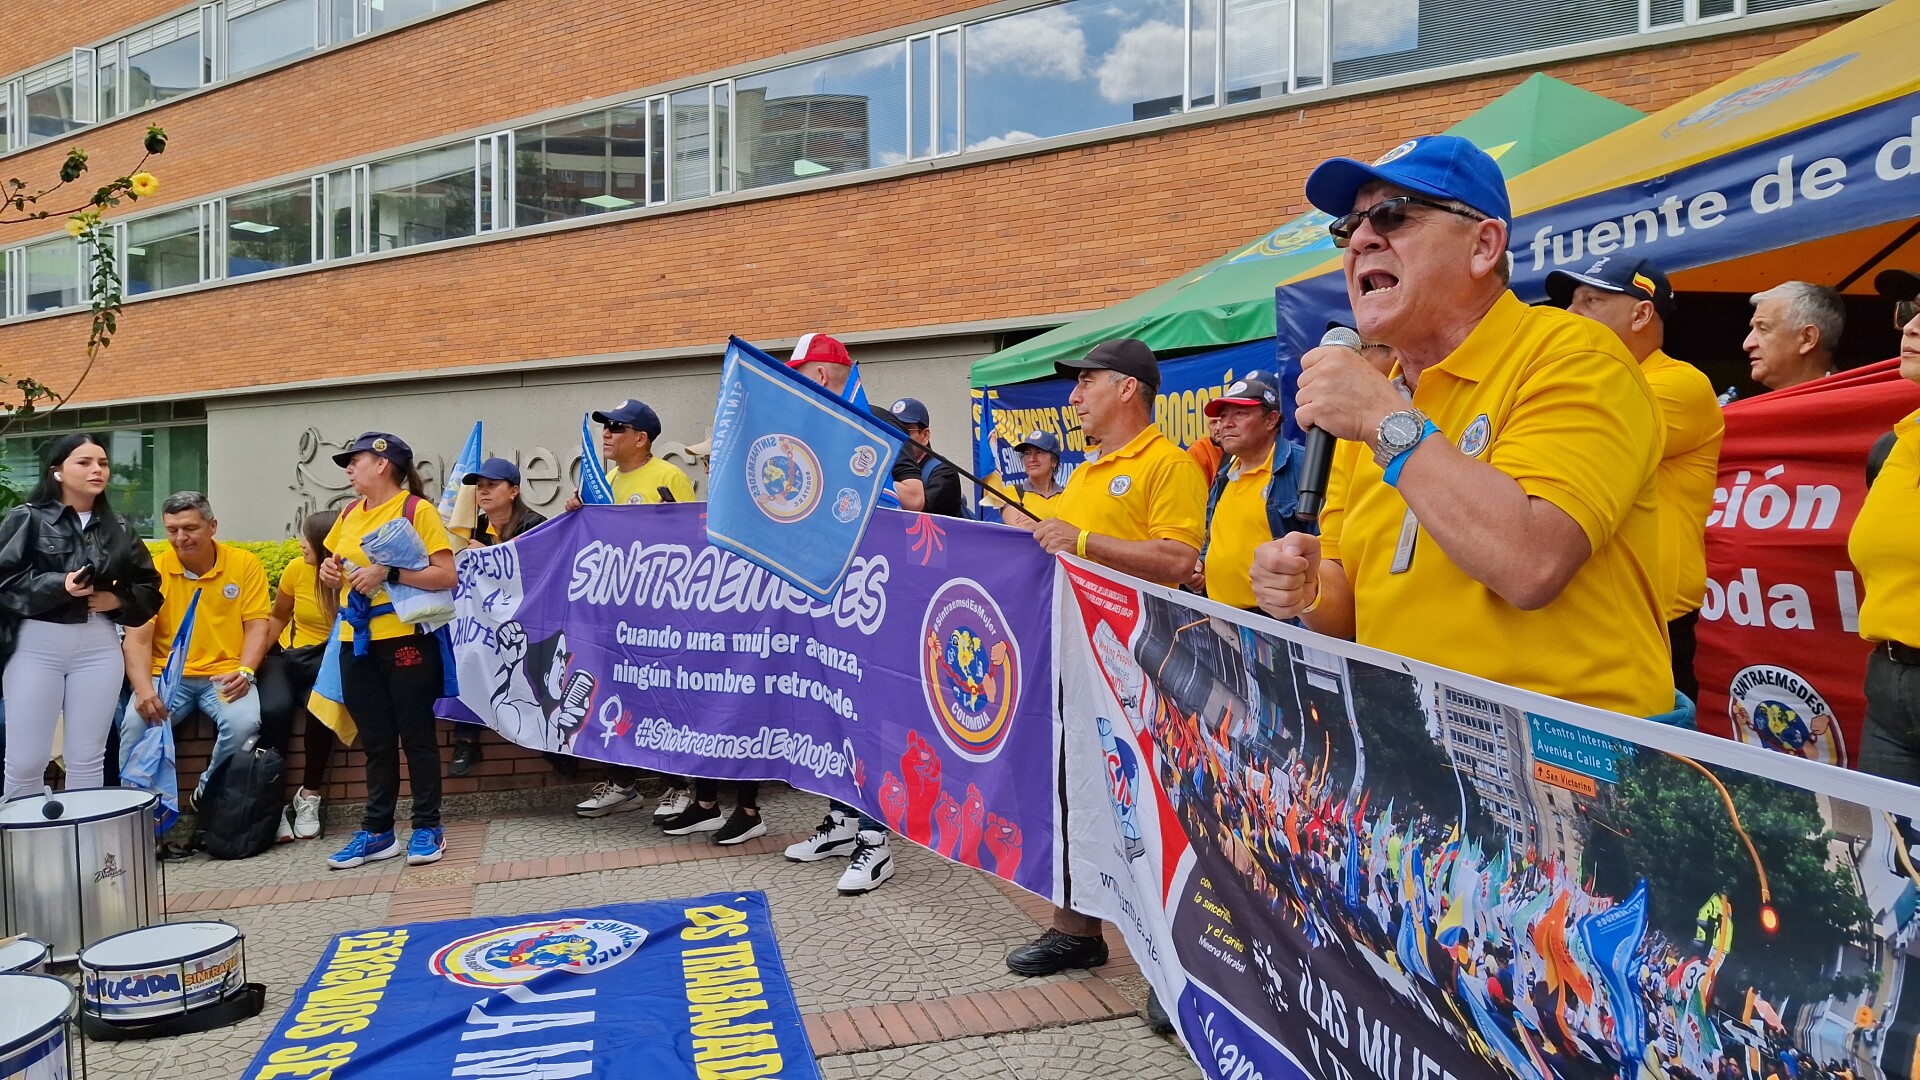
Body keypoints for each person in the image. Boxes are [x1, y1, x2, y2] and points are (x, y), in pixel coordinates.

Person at [1251, 135, 1671, 722]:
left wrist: (1384, 421)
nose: (1362, 239)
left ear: (1483, 246)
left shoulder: (1573, 355)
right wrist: (1305, 588)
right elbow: (1351, 602)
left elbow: (1531, 563)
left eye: (1393, 215)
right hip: (1418, 753)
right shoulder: (1380, 398)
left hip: (1570, 765)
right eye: (1348, 227)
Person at [1004, 336, 1206, 1003]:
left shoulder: (1167, 464)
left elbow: (1178, 560)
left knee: (1145, 807)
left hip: (1137, 670)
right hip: (1072, 661)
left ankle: (1167, 959)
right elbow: (1050, 544)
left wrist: (1081, 540)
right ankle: (1076, 928)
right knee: (1073, 792)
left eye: (1085, 382)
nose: (1074, 396)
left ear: (1126, 388)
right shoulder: (1087, 471)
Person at [1548, 257, 1723, 701]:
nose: (1571, 314)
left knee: (1646, 766)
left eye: (1591, 301)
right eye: (1572, 302)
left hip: (1653, 619)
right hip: (1589, 612)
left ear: (1642, 313)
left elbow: (1566, 444)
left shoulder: (1681, 384)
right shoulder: (1602, 381)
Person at [779, 331, 900, 895]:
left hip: (868, 601)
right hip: (825, 594)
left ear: (821, 375)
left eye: (799, 371)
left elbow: (892, 509)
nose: (792, 381)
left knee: (865, 717)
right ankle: (844, 821)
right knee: (830, 709)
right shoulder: (818, 431)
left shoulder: (863, 429)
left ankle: (876, 844)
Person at [319, 432, 458, 869]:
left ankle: (426, 827)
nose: (348, 468)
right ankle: (378, 831)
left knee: (416, 735)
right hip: (354, 641)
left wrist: (390, 572)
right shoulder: (347, 512)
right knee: (376, 741)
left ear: (382, 464)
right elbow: (337, 567)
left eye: (354, 460)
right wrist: (329, 571)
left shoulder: (417, 509)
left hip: (405, 637)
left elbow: (446, 575)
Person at [0, 435, 160, 799]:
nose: (97, 470)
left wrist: (114, 600)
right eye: (84, 462)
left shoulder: (117, 526)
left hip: (98, 645)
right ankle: (22, 850)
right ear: (57, 471)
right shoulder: (27, 517)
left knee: (87, 758)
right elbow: (5, 581)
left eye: (102, 463)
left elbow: (150, 587)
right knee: (26, 759)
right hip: (36, 644)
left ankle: (82, 852)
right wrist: (60, 585)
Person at [570, 403, 697, 821]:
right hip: (614, 615)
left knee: (662, 697)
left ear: (641, 438)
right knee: (616, 695)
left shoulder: (667, 476)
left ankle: (679, 786)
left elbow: (691, 537)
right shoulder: (603, 482)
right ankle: (623, 784)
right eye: (604, 428)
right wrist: (576, 512)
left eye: (617, 428)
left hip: (659, 616)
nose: (606, 434)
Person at [119, 491, 271, 806]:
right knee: (134, 725)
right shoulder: (154, 572)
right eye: (172, 530)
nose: (180, 538)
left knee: (243, 723)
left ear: (212, 526)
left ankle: (207, 792)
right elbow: (137, 638)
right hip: (168, 675)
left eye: (190, 528)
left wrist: (245, 670)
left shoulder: (244, 564)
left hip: (226, 674)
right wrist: (145, 689)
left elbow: (257, 625)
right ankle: (135, 812)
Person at [1848, 268, 1920, 784]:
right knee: (1888, 860)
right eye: (1908, 312)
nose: (1910, 328)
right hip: (1888, 691)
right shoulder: (1892, 448)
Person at [447, 457, 550, 778]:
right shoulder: (469, 528)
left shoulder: (536, 524)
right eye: (480, 487)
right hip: (482, 625)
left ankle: (551, 746)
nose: (484, 492)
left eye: (493, 486)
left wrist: (490, 555)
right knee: (464, 655)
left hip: (526, 622)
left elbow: (538, 574)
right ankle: (466, 740)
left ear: (514, 491)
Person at [1188, 371, 1313, 608]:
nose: (1226, 423)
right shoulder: (1225, 474)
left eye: (1240, 413)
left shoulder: (1302, 467)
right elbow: (1213, 536)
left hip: (1277, 627)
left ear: (1271, 420)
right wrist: (1202, 562)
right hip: (1221, 618)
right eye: (1223, 416)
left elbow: (1325, 551)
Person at [264, 510, 342, 840]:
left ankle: (309, 795)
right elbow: (277, 617)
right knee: (272, 710)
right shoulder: (295, 570)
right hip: (289, 658)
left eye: (307, 539)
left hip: (328, 660)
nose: (300, 544)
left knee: (320, 711)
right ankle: (273, 804)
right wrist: (249, 662)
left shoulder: (349, 577)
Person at [1744, 281, 1845, 392]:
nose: (1747, 344)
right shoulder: (1750, 407)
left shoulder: (1847, 406)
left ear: (1807, 339)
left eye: (1763, 329)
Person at [887, 397, 966, 517]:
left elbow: (921, 516)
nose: (896, 436)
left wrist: (880, 481)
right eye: (892, 430)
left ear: (925, 435)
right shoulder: (887, 465)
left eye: (904, 431)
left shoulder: (944, 473)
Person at [986, 430, 1066, 525]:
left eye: (1039, 452)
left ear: (1054, 461)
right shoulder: (1013, 492)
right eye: (1027, 453)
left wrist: (1034, 524)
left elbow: (1076, 528)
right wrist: (1056, 525)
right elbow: (1019, 527)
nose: (1032, 459)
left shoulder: (1067, 495)